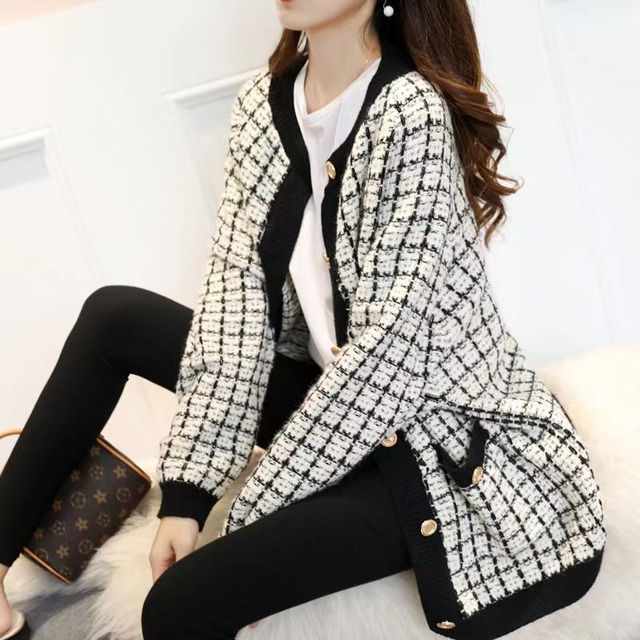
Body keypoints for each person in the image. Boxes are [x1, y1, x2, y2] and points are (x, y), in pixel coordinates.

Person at [0, 0, 607, 639]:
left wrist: (247, 518)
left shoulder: (411, 114)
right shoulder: (263, 105)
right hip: (332, 396)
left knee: (177, 603)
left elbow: (387, 360)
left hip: (430, 435)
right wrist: (186, 497)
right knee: (114, 317)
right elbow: (235, 303)